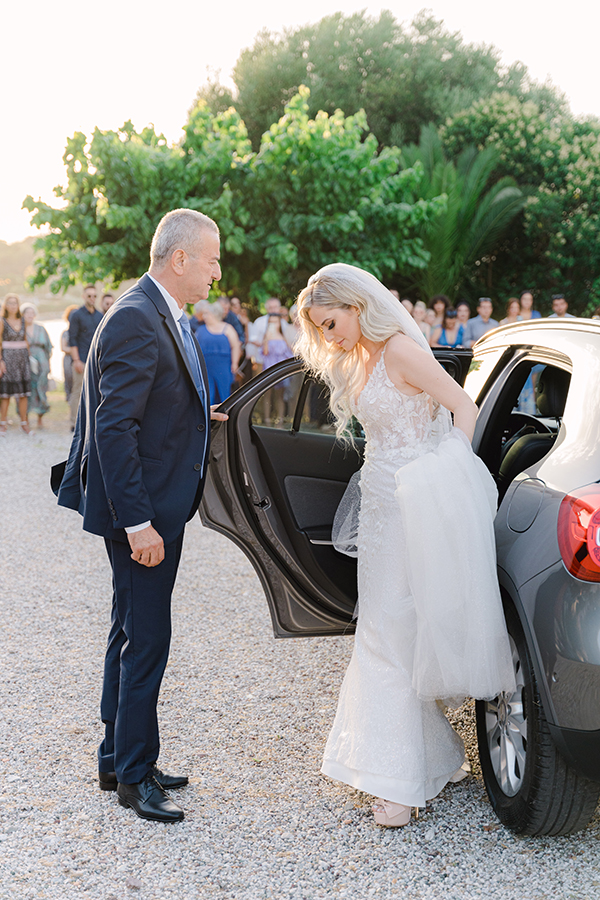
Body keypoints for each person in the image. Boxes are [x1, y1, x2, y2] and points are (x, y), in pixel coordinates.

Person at [295, 263, 515, 828]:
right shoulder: (362, 356)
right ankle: (430, 759)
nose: (327, 336)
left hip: (414, 501)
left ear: (357, 306)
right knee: (384, 628)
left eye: (331, 322)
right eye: (319, 329)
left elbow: (463, 408)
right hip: (379, 505)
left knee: (389, 633)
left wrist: (443, 473)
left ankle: (399, 782)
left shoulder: (399, 351)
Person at [55, 208, 227, 823]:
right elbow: (114, 426)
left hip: (152, 505)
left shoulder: (154, 308)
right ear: (179, 259)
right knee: (147, 639)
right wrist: (138, 525)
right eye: (211, 259)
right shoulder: (135, 316)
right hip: (144, 514)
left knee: (128, 630)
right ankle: (134, 775)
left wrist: (199, 417)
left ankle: (116, 757)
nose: (216, 272)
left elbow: (150, 402)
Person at [67, 284, 103, 429]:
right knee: (77, 391)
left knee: (96, 392)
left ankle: (91, 422)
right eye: (89, 296)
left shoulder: (100, 315)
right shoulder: (76, 315)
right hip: (81, 359)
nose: (92, 298)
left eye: (94, 296)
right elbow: (72, 339)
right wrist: (76, 360)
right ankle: (74, 423)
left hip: (96, 361)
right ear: (83, 296)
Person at [194, 299, 241, 404]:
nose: (204, 316)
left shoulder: (228, 328)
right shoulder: (200, 330)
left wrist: (235, 363)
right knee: (208, 394)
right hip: (206, 368)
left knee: (224, 393)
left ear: (214, 314)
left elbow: (235, 347)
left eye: (206, 313)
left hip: (223, 366)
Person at [0, 294, 33, 434]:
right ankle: (3, 423)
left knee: (23, 393)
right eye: (10, 303)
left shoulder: (23, 320)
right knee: (6, 394)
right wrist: (0, 361)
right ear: (6, 305)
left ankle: (24, 423)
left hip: (22, 359)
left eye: (15, 303)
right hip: (8, 359)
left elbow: (25, 339)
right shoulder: (2, 321)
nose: (13, 305)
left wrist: (30, 358)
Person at [261, 309, 296, 425]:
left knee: (280, 396)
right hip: (268, 368)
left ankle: (279, 420)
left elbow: (289, 352)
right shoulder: (266, 336)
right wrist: (266, 339)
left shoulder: (282, 336)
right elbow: (264, 352)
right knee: (267, 395)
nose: (273, 324)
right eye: (271, 322)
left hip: (280, 369)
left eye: (275, 322)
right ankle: (266, 419)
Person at [21, 303, 53, 428]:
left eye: (32, 313)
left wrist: (48, 365)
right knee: (27, 389)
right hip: (25, 361)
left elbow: (48, 347)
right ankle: (25, 418)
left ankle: (40, 418)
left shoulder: (41, 328)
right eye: (27, 313)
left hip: (41, 361)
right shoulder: (20, 329)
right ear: (23, 315)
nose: (30, 315)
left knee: (41, 388)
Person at [246, 298, 296, 368]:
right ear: (267, 309)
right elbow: (252, 339)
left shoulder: (284, 323)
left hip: (282, 363)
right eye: (270, 308)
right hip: (262, 362)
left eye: (275, 307)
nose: (273, 310)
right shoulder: (259, 322)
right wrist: (266, 343)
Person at [61, 305, 78, 401]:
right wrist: (75, 350)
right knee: (69, 381)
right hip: (68, 359)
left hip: (80, 358)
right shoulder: (65, 333)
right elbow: (63, 348)